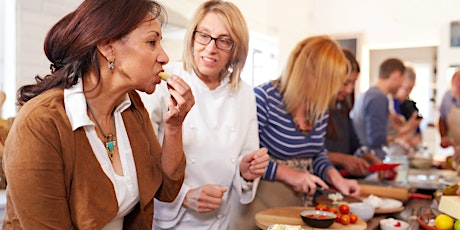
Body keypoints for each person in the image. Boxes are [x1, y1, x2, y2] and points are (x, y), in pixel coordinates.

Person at [2, 0, 195, 229]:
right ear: (107, 47)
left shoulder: (131, 106)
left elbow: (166, 189)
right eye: (151, 42)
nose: (164, 57)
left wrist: (174, 127)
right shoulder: (40, 125)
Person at [143, 1, 270, 229]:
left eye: (224, 40)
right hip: (172, 219)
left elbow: (246, 154)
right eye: (204, 36)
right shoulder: (163, 82)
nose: (211, 48)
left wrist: (246, 170)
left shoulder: (244, 93)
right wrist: (184, 195)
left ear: (236, 50)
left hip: (222, 219)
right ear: (192, 38)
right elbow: (143, 159)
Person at [235, 35, 361, 230]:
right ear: (313, 75)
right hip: (261, 203)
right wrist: (289, 175)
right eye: (333, 81)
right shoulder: (263, 98)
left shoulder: (319, 106)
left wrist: (338, 179)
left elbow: (317, 154)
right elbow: (244, 158)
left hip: (299, 204)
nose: (337, 89)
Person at [326, 49, 383, 178]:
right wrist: (343, 159)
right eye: (345, 83)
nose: (350, 89)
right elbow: (310, 153)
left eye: (353, 83)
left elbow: (354, 145)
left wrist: (369, 158)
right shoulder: (314, 110)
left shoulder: (342, 107)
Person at [350, 58, 406, 160]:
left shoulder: (367, 95)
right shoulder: (378, 97)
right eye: (402, 79)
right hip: (370, 160)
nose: (401, 85)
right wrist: (403, 131)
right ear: (396, 75)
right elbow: (376, 139)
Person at [387, 65, 422, 153]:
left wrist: (415, 140)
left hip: (406, 154)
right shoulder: (387, 103)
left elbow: (418, 133)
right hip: (390, 153)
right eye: (406, 88)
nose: (408, 93)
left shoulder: (409, 106)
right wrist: (400, 137)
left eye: (411, 89)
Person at [439, 70, 460, 148]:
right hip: (456, 149)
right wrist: (444, 137)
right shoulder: (447, 97)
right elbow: (442, 119)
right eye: (456, 86)